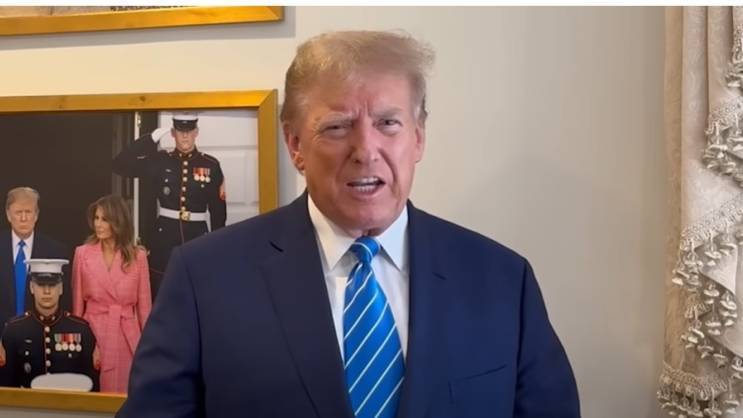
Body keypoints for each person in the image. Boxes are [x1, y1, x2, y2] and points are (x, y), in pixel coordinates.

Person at [118, 31, 580, 418]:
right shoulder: (205, 277)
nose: (365, 150)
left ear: (418, 138)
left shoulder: (502, 280)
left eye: (388, 123)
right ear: (295, 144)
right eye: (337, 127)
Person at [112, 113, 227, 299]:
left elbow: (218, 212)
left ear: (196, 132)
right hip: (164, 238)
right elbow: (120, 164)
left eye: (189, 131)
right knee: (162, 292)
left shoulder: (210, 165)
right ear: (173, 133)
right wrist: (150, 139)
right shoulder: (159, 161)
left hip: (197, 236)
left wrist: (217, 246)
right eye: (180, 131)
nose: (185, 136)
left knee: (197, 291)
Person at [72, 195, 151, 393]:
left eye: (105, 219)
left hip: (127, 336)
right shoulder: (82, 254)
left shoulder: (138, 257)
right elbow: (77, 308)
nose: (98, 224)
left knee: (125, 395)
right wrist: (81, 343)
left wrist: (149, 349)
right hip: (93, 334)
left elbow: (145, 310)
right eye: (96, 218)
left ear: (118, 221)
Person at [0, 258, 99, 391]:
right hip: (27, 403)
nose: (47, 291)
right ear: (32, 288)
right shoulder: (14, 330)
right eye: (41, 285)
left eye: (52, 285)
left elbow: (91, 386)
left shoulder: (81, 329)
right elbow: (6, 386)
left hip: (69, 402)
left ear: (61, 288)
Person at [0, 187, 71, 331]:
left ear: (36, 215)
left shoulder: (56, 251)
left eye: (28, 212)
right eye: (18, 212)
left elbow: (64, 299)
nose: (23, 218)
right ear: (8, 215)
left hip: (40, 334)